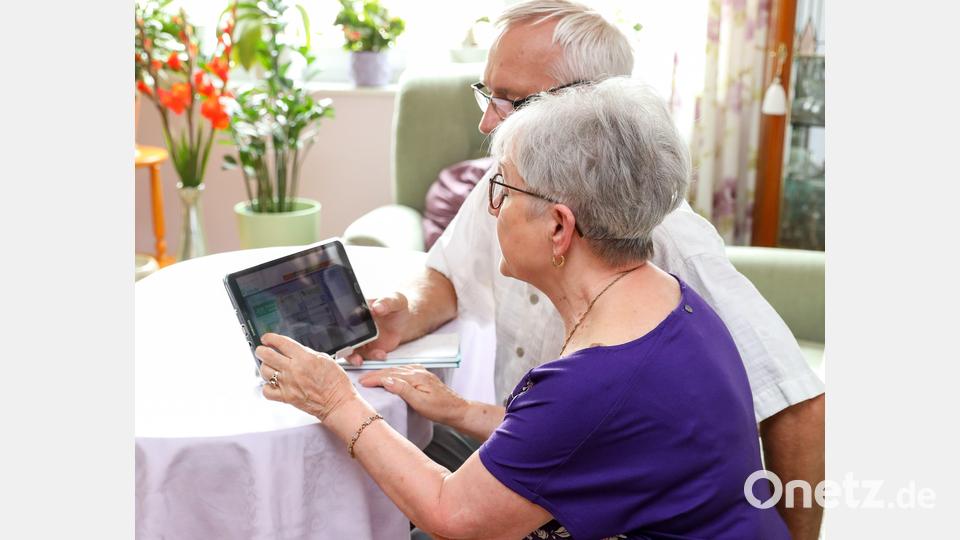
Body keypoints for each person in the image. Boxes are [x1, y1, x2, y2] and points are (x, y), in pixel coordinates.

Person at [346, 2, 826, 538]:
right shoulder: (645, 284)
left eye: (513, 101)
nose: (485, 123)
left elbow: (797, 402)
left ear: (590, 108)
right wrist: (406, 318)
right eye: (487, 94)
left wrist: (333, 398)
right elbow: (448, 275)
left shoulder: (663, 261)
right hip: (543, 451)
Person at [259, 77, 790, 539]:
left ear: (559, 226)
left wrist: (334, 400)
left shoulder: (596, 377)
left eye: (503, 189)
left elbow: (451, 516)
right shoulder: (669, 298)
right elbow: (590, 444)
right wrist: (463, 411)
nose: (493, 209)